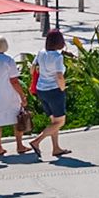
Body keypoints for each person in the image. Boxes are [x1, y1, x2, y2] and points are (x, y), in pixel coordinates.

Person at [0, 37, 31, 155]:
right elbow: (14, 81)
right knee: (17, 119)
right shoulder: (8, 60)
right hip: (9, 95)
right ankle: (19, 145)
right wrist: (22, 96)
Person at [29, 29, 72, 158]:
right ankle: (37, 141)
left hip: (41, 89)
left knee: (54, 120)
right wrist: (63, 88)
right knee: (60, 122)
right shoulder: (58, 57)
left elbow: (32, 69)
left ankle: (56, 148)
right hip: (54, 91)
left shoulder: (41, 53)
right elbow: (59, 75)